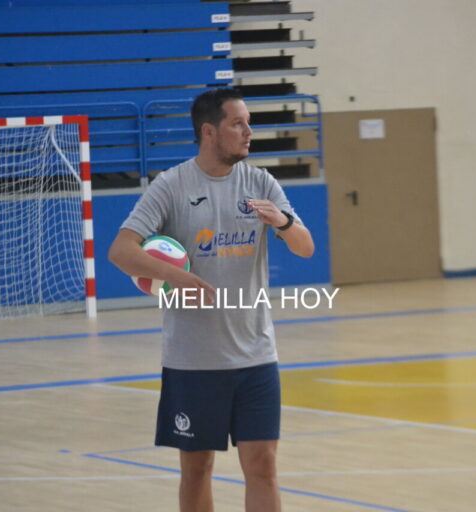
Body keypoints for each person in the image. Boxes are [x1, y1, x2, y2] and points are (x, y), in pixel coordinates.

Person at [108, 87, 314, 512]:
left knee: (263, 465)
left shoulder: (260, 183)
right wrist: (174, 276)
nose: (248, 132)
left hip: (256, 355)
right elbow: (121, 250)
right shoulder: (171, 185)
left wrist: (285, 221)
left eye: (249, 123)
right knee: (197, 468)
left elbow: (305, 247)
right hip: (194, 361)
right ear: (208, 132)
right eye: (237, 123)